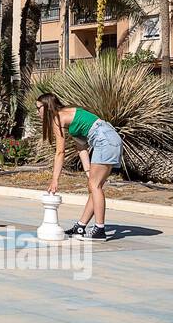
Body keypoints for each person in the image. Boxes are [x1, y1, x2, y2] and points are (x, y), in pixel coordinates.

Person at [36, 92, 121, 242]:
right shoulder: (69, 113)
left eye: (38, 108)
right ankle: (81, 226)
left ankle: (100, 230)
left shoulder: (57, 119)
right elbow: (81, 148)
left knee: (95, 186)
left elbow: (60, 152)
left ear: (47, 106)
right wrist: (88, 171)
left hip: (104, 140)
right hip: (110, 138)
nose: (37, 112)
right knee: (94, 186)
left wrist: (55, 180)